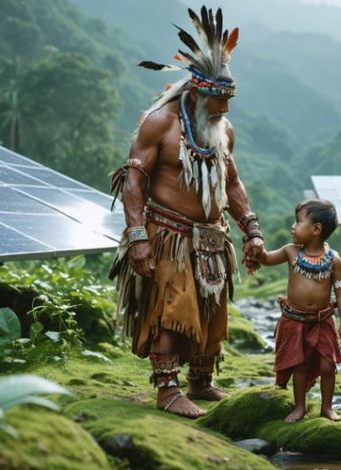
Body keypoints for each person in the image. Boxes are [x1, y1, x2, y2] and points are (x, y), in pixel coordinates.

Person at [109, 6, 264, 419]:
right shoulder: (160, 122)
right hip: (168, 235)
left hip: (211, 237)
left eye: (228, 101)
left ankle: (200, 380)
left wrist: (251, 229)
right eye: (218, 100)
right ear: (196, 92)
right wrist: (137, 237)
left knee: (210, 309)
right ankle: (167, 390)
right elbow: (133, 181)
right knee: (171, 308)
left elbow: (232, 183)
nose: (224, 110)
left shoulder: (223, 131)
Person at [257, 199, 341, 423]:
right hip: (295, 321)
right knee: (300, 365)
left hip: (322, 321)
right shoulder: (290, 252)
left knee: (328, 366)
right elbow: (267, 259)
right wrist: (256, 248)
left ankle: (327, 407)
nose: (293, 226)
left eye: (298, 221)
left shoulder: (334, 260)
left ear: (316, 229)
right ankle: (300, 406)